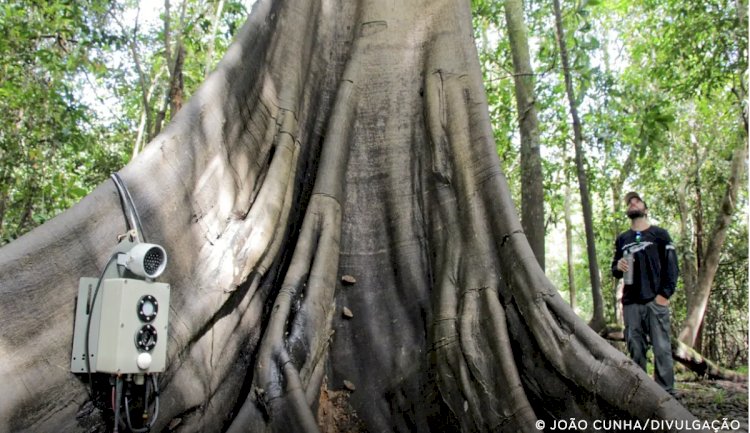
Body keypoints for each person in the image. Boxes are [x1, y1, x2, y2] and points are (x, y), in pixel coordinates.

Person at [611, 191, 679, 396]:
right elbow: (615, 269)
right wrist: (618, 265)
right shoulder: (623, 239)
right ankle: (642, 393)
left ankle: (666, 392)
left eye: (637, 201)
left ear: (645, 209)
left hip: (655, 300)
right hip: (631, 302)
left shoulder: (660, 234)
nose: (632, 203)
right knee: (635, 347)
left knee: (661, 348)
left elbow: (672, 267)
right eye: (629, 202)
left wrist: (664, 296)